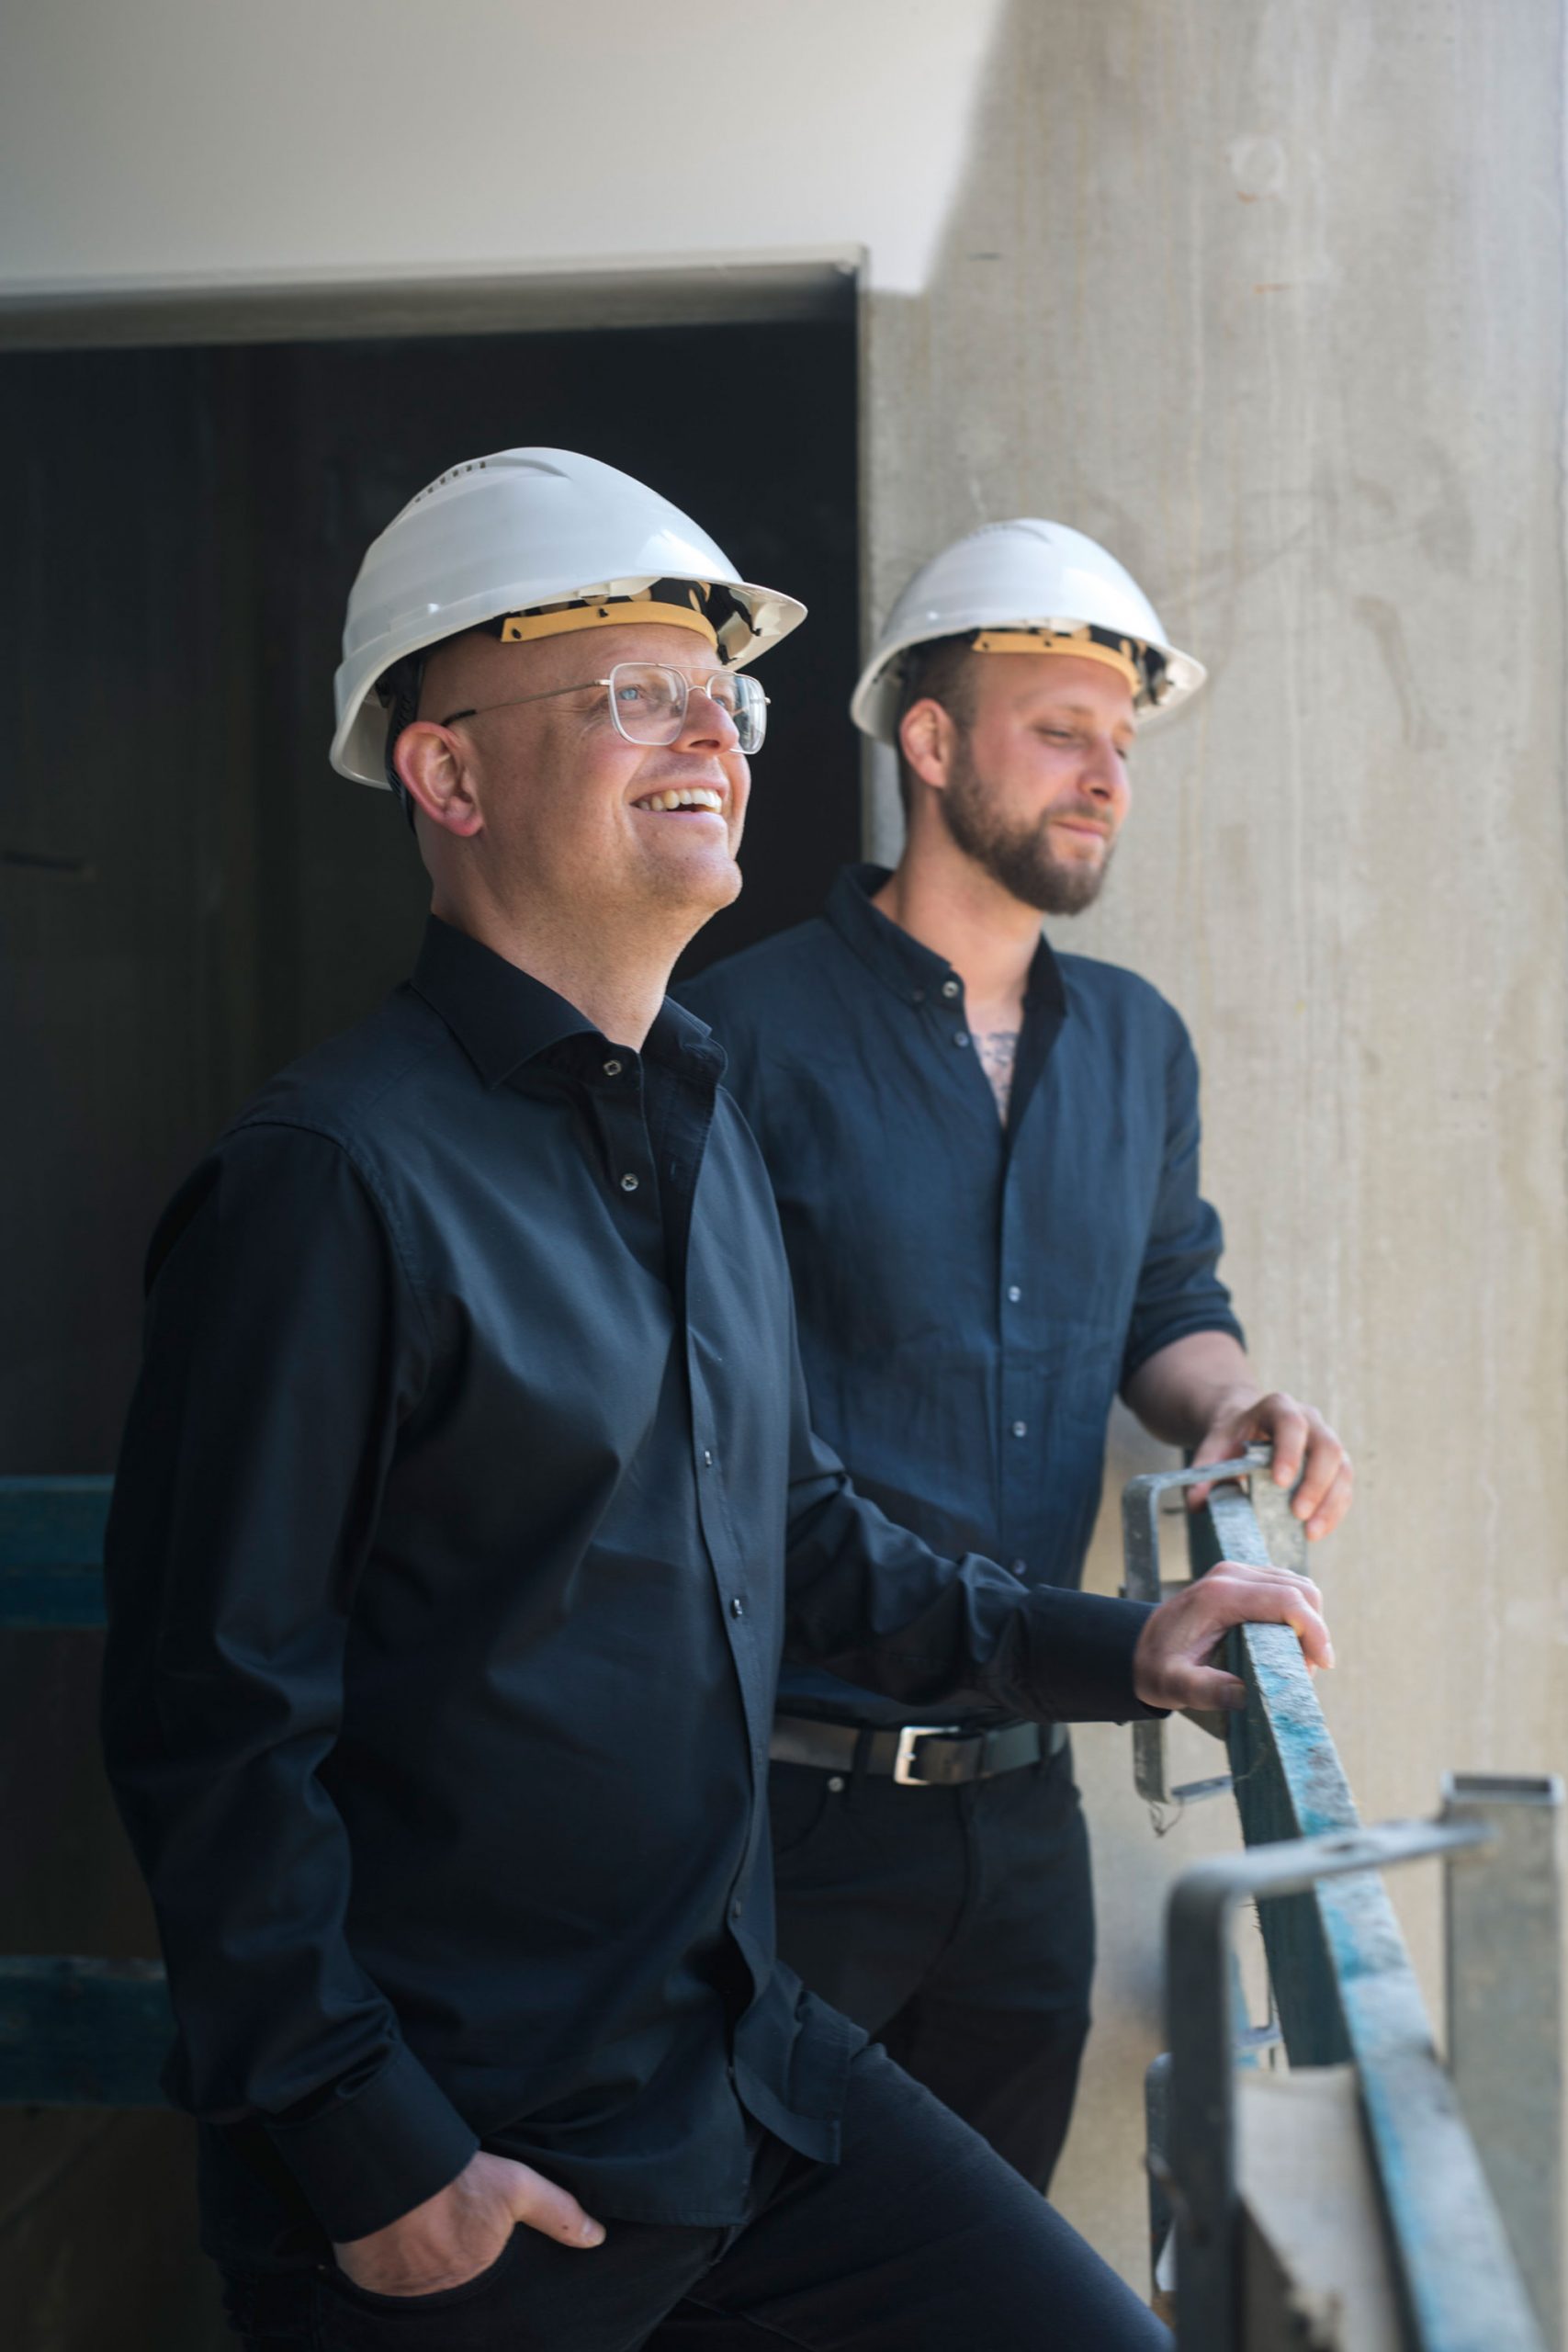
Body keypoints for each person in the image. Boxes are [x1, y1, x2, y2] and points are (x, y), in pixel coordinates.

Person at [101, 455, 1332, 2352]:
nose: (712, 734)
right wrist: (371, 2154)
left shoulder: (690, 1121)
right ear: (446, 776)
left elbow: (793, 1531)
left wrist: (1128, 1644)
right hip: (479, 2172)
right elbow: (212, 1719)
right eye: (631, 694)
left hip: (735, 2074)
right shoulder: (329, 1179)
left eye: (723, 695)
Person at [680, 517, 1353, 2197]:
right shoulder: (737, 1036)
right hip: (788, 1815)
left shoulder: (1136, 1040)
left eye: (1120, 745)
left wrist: (1235, 1402)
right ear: (928, 740)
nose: (1108, 777)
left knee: (989, 2282)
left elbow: (1160, 1303)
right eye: (1061, 731)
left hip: (1029, 1808)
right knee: (753, 2281)